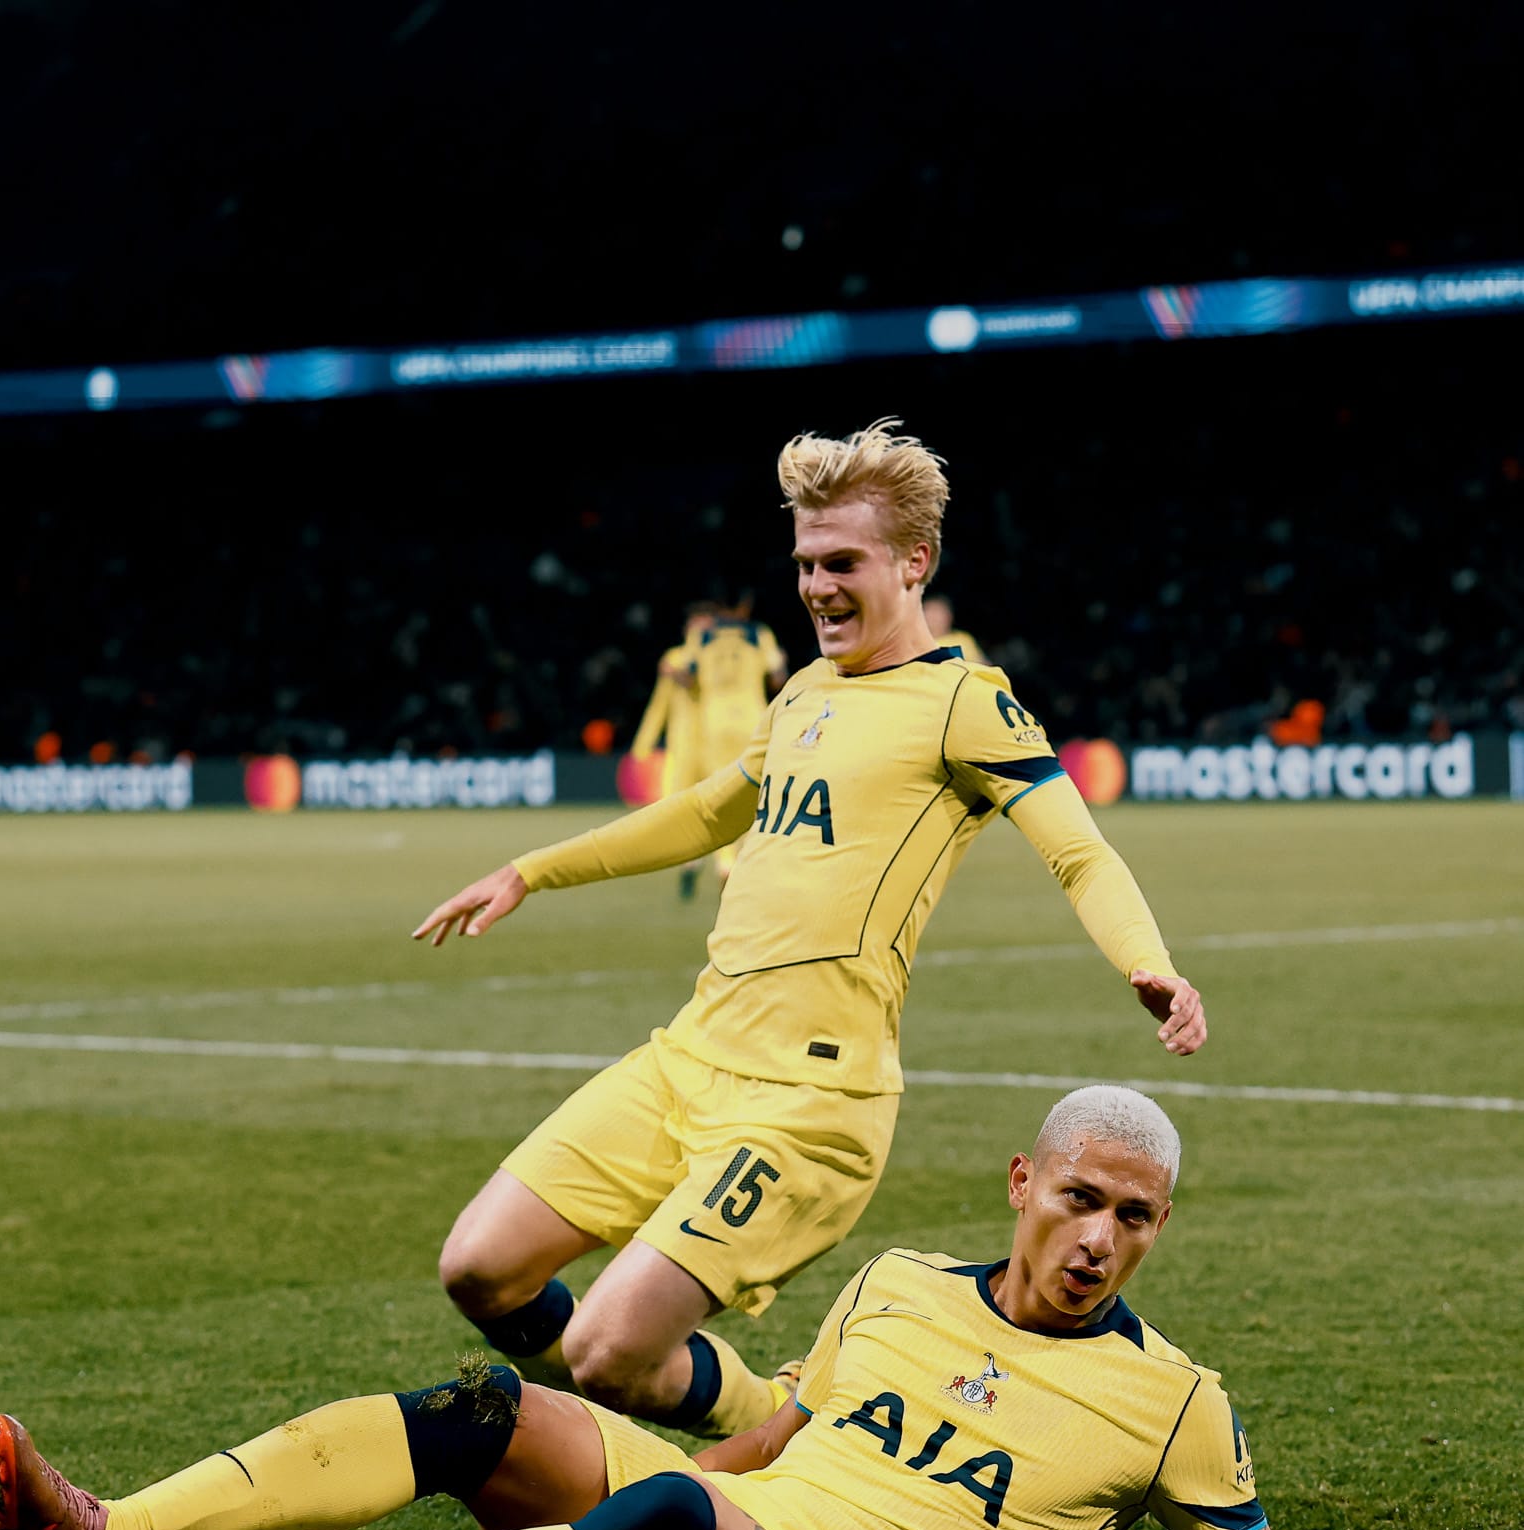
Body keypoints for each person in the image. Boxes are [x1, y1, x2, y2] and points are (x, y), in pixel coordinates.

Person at [0, 1087, 1384, 1530]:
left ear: (1158, 1230)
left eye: (1133, 1218)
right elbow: (777, 1439)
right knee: (493, 1410)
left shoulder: (1175, 1401)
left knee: (676, 1516)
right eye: (1080, 1197)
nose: (1099, 1237)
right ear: (1023, 1180)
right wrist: (624, 1475)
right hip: (725, 1524)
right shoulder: (897, 1284)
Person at [417, 420, 1208, 1446]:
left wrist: (1147, 961)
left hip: (809, 1102)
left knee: (609, 1350)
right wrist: (532, 869)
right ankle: (577, 1429)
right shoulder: (802, 691)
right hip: (691, 1057)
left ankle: (783, 1419)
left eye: (843, 562)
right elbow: (708, 811)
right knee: (479, 1268)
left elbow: (1079, 853)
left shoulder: (966, 703)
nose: (817, 586)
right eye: (804, 563)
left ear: (914, 562)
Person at [627, 603, 786, 897]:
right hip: (744, 722)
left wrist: (643, 743)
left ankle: (725, 864)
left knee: (718, 801)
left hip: (712, 731)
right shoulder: (757, 634)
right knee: (749, 795)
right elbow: (778, 674)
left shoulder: (697, 646)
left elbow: (681, 680)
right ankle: (708, 863)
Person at [923, 592, 986, 665]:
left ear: (949, 616)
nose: (933, 618)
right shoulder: (915, 642)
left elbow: (982, 665)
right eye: (929, 611)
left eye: (938, 612)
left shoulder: (963, 639)